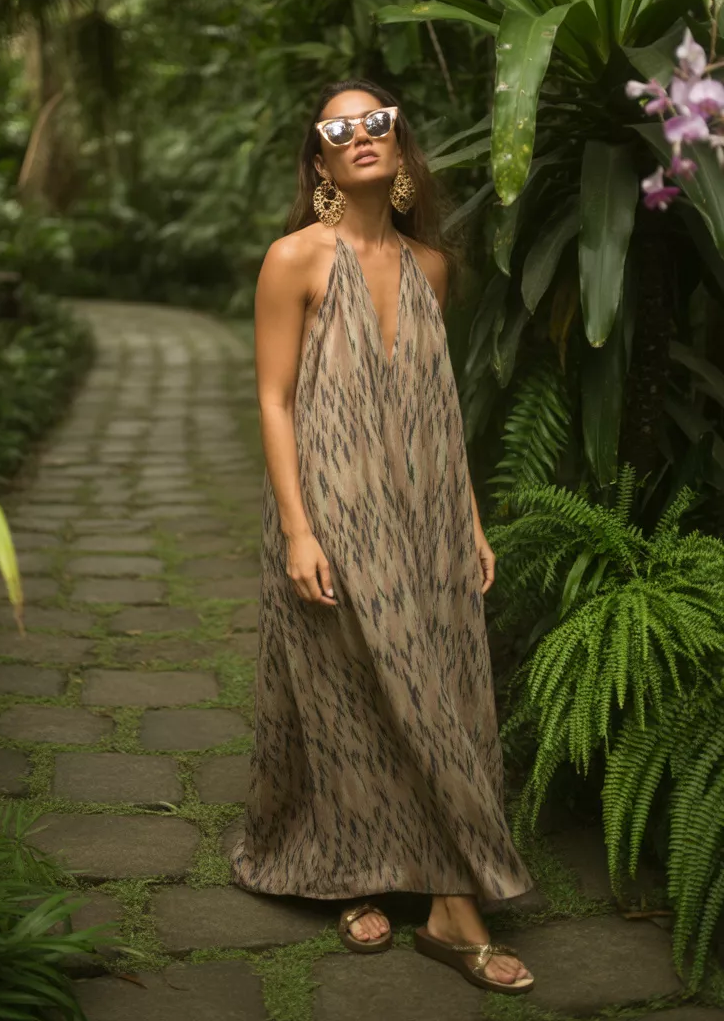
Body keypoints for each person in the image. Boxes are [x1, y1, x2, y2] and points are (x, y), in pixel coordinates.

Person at [228, 79, 535, 994]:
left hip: (428, 512)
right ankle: (407, 891)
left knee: (438, 688)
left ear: (400, 152)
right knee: (341, 693)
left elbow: (442, 410)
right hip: (335, 507)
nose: (361, 135)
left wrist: (470, 521)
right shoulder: (294, 260)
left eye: (378, 123)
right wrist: (297, 529)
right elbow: (275, 401)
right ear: (320, 161)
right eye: (339, 128)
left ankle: (424, 885)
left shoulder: (432, 268)